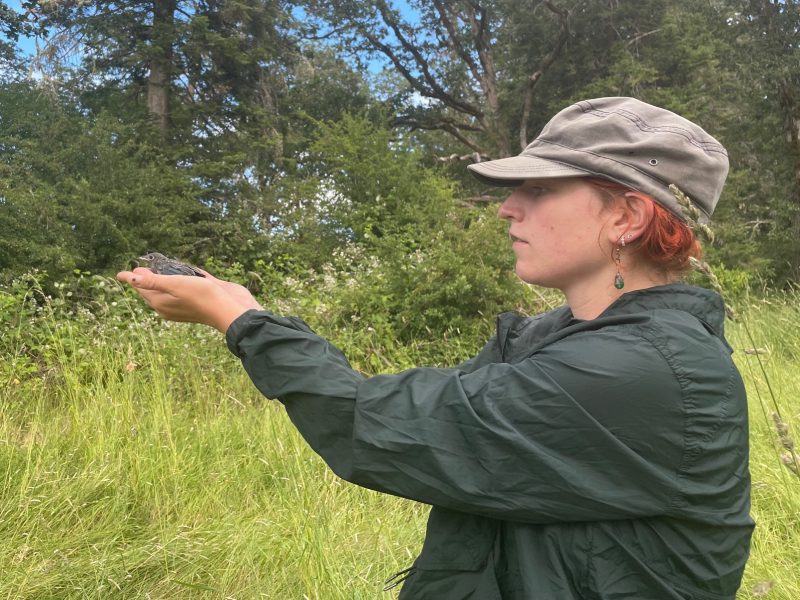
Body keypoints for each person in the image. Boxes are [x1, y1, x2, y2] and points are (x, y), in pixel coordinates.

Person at [117, 97, 753, 599]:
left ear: (627, 218)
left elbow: (374, 423)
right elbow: (422, 411)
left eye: (539, 189)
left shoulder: (647, 371)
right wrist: (240, 312)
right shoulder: (553, 339)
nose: (507, 209)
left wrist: (241, 318)